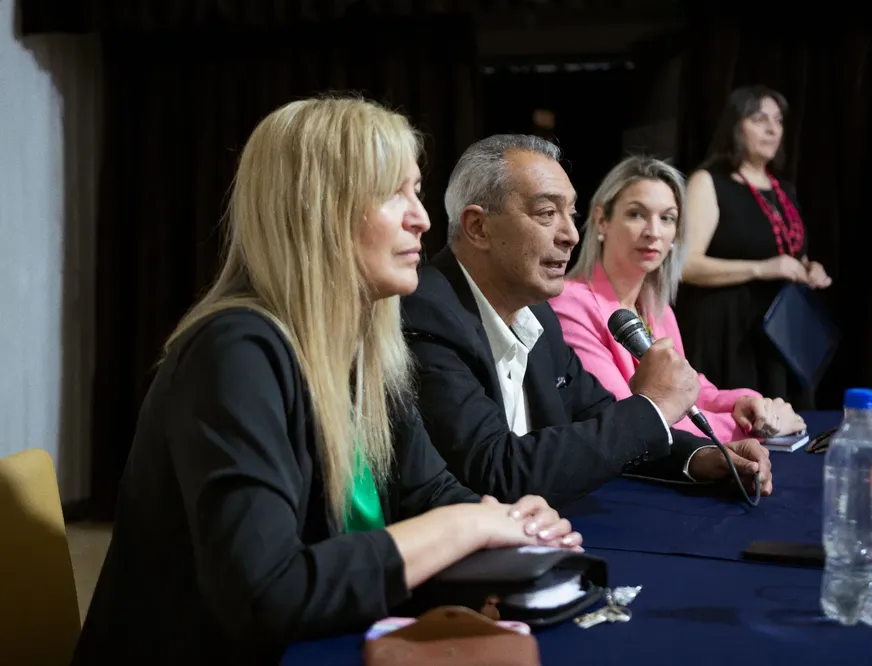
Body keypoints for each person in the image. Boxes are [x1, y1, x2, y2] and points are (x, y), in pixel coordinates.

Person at [72, 98, 580, 666]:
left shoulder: (364, 349)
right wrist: (466, 525)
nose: (423, 218)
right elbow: (266, 592)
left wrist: (507, 522)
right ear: (320, 210)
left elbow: (428, 491)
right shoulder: (235, 352)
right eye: (395, 193)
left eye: (417, 191)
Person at [401, 134, 773, 510]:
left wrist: (700, 458)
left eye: (571, 215)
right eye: (547, 213)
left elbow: (597, 415)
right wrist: (653, 407)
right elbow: (496, 472)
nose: (571, 235)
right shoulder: (427, 313)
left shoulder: (537, 313)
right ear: (479, 227)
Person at [551, 155, 807, 444]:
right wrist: (752, 429)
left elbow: (691, 389)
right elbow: (632, 420)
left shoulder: (657, 310)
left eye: (667, 218)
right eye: (636, 214)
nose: (653, 232)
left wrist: (748, 404)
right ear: (601, 220)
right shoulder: (569, 306)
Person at [676, 85, 832, 410]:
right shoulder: (709, 181)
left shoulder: (783, 188)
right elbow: (686, 266)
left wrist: (807, 267)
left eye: (778, 121)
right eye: (760, 119)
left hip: (779, 335)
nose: (773, 129)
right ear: (736, 126)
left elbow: (788, 250)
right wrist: (762, 268)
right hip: (730, 333)